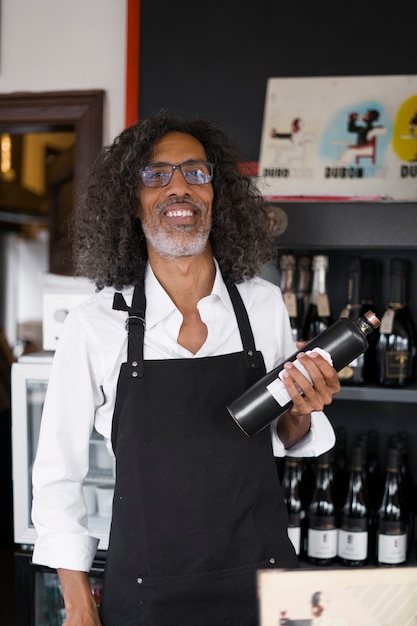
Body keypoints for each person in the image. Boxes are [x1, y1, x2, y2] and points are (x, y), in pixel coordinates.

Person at [32, 111, 340, 626]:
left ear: (217, 194)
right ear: (132, 201)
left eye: (195, 173)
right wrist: (80, 605)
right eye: (156, 175)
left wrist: (305, 408)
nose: (179, 188)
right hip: (147, 589)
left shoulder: (262, 306)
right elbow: (59, 476)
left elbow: (284, 430)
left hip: (263, 582)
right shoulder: (94, 325)